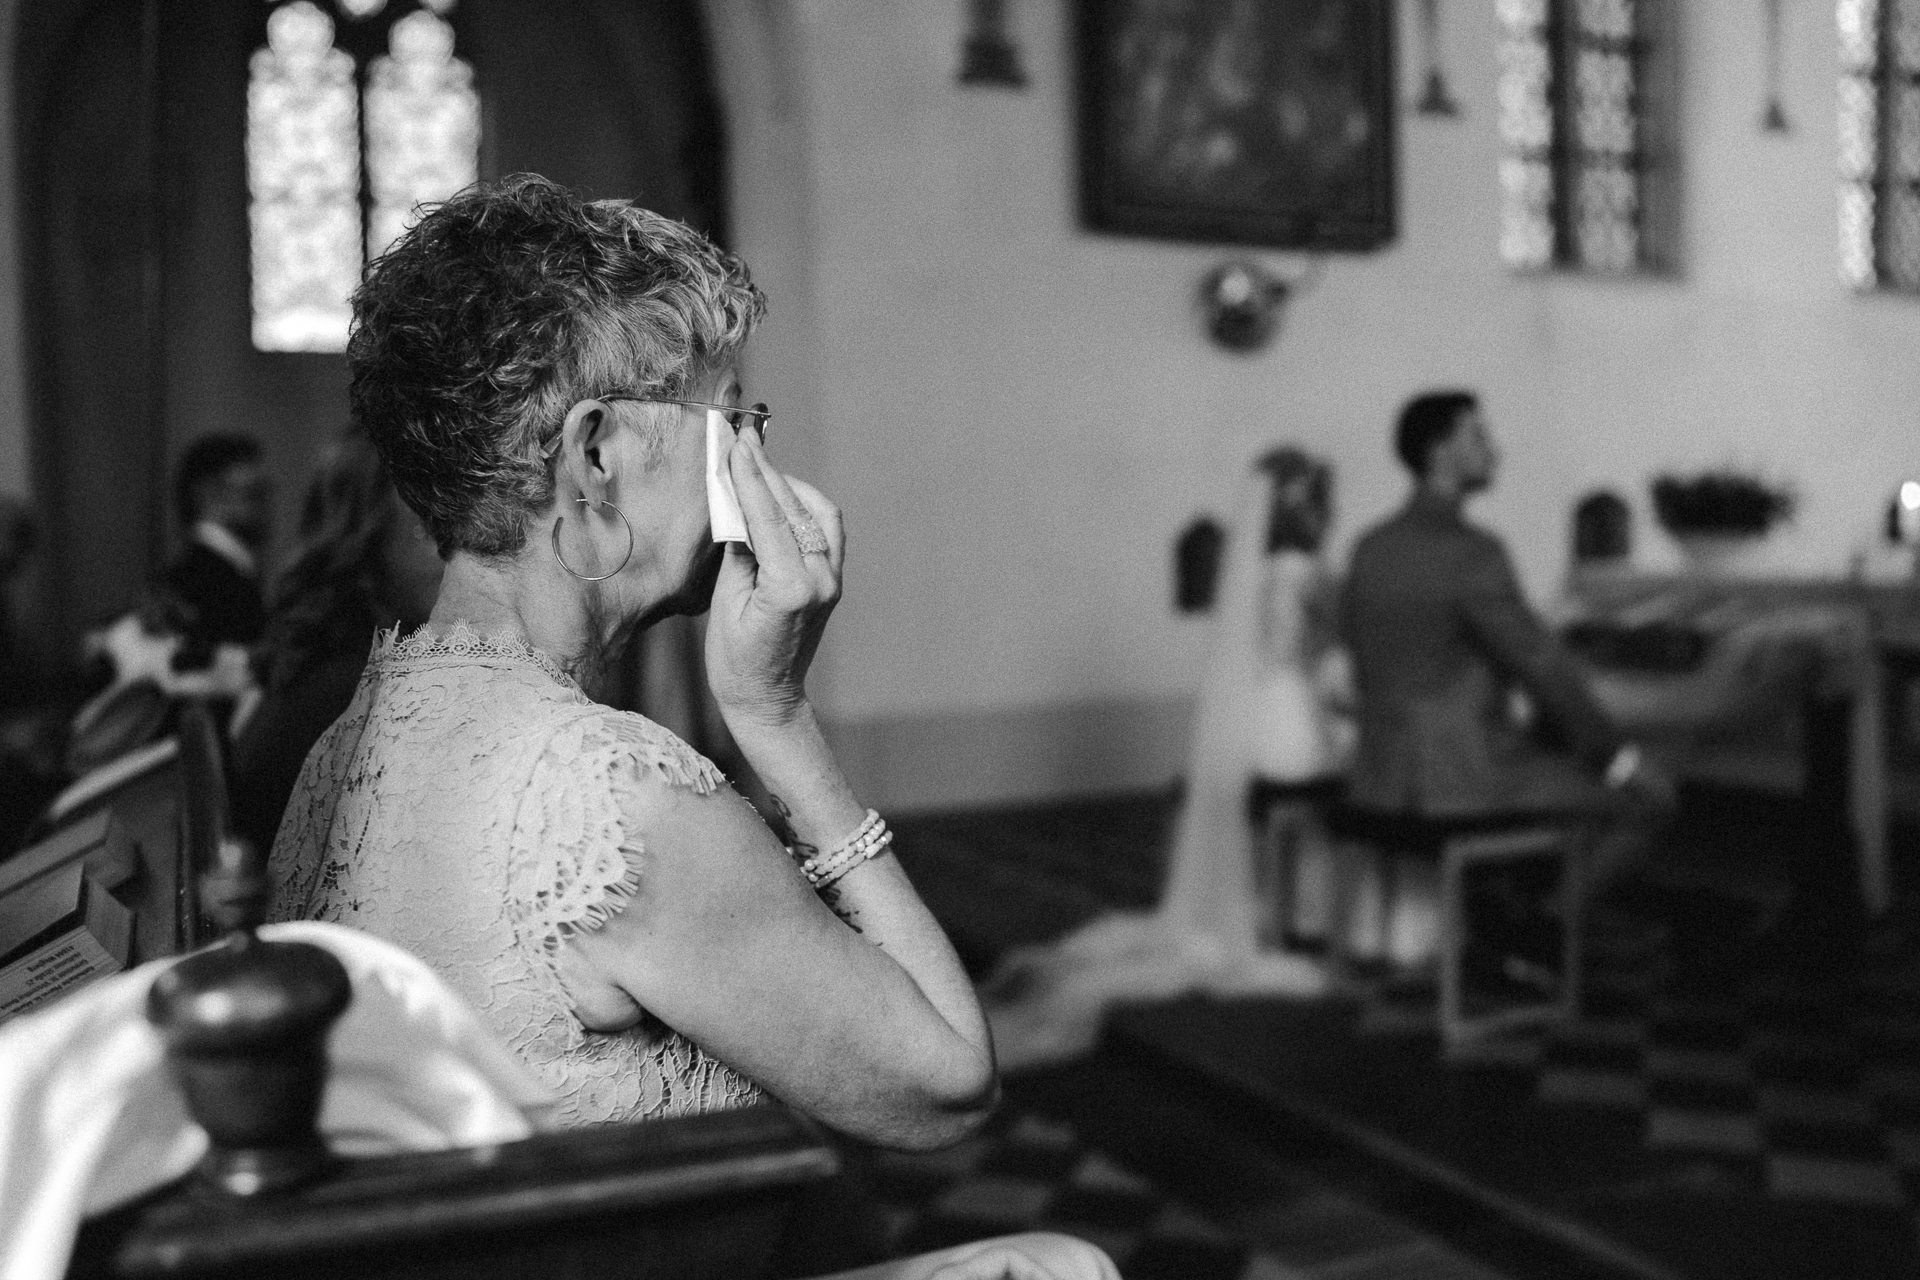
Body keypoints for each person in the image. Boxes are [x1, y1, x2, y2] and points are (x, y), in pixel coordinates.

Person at [267, 176, 999, 1150]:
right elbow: (947, 1084)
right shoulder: (617, 800)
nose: (756, 464)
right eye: (734, 421)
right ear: (597, 457)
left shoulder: (350, 732)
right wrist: (774, 713)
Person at [979, 450, 1331, 1071]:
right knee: (1335, 773)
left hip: (1246, 725)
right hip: (1290, 723)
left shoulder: (1254, 572)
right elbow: (1317, 656)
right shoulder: (1307, 572)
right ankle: (1306, 914)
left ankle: (1257, 903)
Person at [1338, 391, 1673, 963]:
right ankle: (1540, 935)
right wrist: (1616, 757)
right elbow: (1543, 666)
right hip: (1457, 778)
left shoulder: (1370, 548)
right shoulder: (1471, 552)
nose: (1495, 450)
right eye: (1478, 437)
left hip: (1375, 775)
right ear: (1439, 451)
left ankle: (1513, 915)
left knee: (1546, 758)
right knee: (1650, 800)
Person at [229, 431, 443, 854]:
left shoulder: (326, 647)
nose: (462, 550)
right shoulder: (355, 687)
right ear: (367, 534)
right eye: (434, 523)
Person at [162, 433, 273, 652]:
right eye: (254, 493)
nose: (268, 508)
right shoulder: (221, 586)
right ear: (206, 493)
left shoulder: (183, 576)